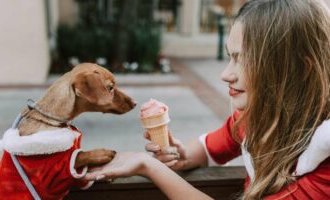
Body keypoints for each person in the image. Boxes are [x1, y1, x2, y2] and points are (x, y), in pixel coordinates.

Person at [84, 0, 330, 199]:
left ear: (300, 69)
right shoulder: (253, 119)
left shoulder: (324, 157)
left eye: (243, 59)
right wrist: (179, 155)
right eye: (230, 57)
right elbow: (208, 148)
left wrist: (150, 167)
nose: (225, 75)